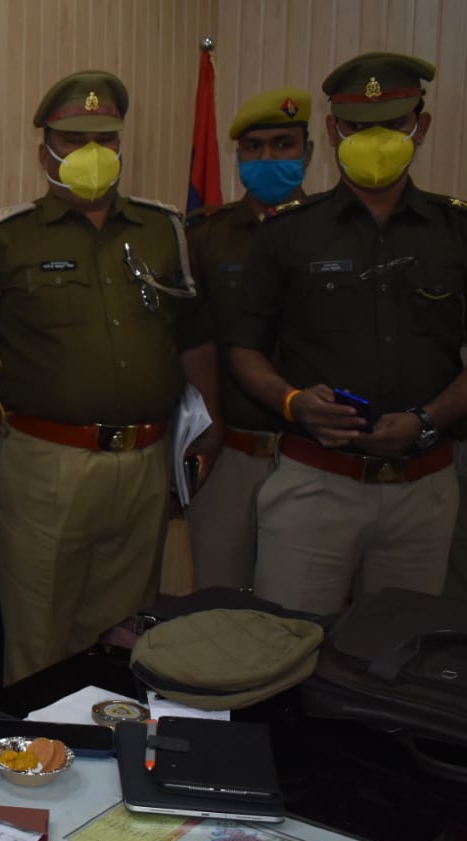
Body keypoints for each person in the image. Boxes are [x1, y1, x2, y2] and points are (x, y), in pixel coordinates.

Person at [0, 70, 221, 684]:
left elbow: (193, 337)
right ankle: (37, 741)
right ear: (44, 150)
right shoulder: (5, 240)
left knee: (124, 638)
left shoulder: (164, 231)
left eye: (105, 139)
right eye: (74, 140)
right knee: (40, 642)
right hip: (46, 466)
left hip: (145, 462)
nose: (91, 152)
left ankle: (111, 737)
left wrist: (212, 429)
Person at [229, 52, 466, 614]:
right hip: (316, 483)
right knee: (287, 644)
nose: (375, 141)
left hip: (424, 489)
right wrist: (292, 402)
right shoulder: (287, 233)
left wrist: (428, 419)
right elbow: (244, 349)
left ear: (421, 126)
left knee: (401, 650)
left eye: (392, 124)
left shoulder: (457, 231)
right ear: (334, 130)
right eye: (358, 127)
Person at [185, 88, 313, 590]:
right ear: (237, 157)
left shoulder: (331, 232)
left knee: (297, 611)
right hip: (231, 455)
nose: (268, 158)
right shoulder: (205, 237)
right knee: (218, 603)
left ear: (308, 151)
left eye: (283, 144)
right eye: (253, 147)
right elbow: (188, 341)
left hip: (313, 458)